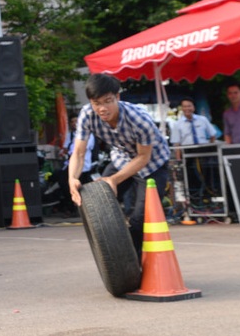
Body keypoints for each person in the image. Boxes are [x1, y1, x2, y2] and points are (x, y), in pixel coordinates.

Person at [68, 74, 171, 259]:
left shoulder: (139, 119)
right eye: (96, 102)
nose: (102, 108)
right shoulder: (87, 114)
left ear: (118, 97)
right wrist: (72, 179)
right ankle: (116, 247)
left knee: (141, 219)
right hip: (121, 159)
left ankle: (133, 264)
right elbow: (79, 152)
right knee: (97, 199)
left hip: (152, 165)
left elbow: (143, 157)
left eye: (107, 101)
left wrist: (113, 180)